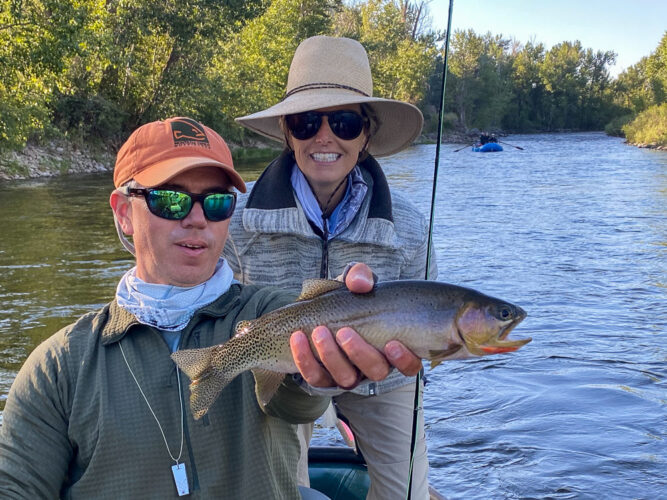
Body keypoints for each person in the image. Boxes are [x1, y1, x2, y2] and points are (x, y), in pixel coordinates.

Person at [0, 117, 421, 498]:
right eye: (171, 200)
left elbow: (297, 403)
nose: (197, 218)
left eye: (216, 202)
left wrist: (340, 336)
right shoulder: (58, 367)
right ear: (124, 213)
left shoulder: (272, 313)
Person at [225, 36, 438, 500]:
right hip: (281, 375)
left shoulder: (409, 223)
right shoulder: (235, 221)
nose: (325, 137)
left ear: (365, 135)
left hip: (388, 381)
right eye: (306, 122)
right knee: (277, 491)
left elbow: (430, 317)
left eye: (343, 122)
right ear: (287, 131)